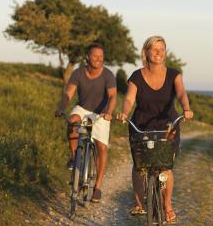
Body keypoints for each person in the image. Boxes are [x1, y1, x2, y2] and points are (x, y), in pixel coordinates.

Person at [117, 35, 193, 223]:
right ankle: (139, 203)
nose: (158, 53)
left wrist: (186, 108)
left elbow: (181, 93)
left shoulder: (174, 75)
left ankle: (167, 205)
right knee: (139, 164)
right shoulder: (136, 76)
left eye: (162, 49)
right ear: (146, 52)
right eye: (154, 49)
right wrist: (124, 112)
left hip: (167, 125)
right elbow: (129, 99)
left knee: (164, 167)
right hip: (141, 124)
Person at [55, 43, 117, 202]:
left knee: (102, 147)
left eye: (101, 57)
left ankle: (97, 188)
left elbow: (112, 96)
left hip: (101, 113)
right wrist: (62, 107)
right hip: (83, 109)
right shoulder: (78, 73)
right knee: (73, 120)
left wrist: (108, 112)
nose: (98, 59)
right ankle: (75, 156)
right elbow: (68, 94)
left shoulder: (108, 75)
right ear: (88, 57)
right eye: (95, 56)